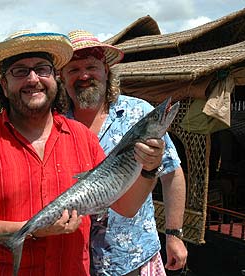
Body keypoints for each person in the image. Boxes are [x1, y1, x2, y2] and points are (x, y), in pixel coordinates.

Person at [0, 30, 166, 276]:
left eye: (42, 69)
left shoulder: (83, 138)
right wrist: (30, 229)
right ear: (4, 85)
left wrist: (149, 168)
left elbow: (125, 206)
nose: (33, 79)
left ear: (55, 79)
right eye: (20, 71)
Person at [58, 30, 188, 276]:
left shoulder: (138, 113)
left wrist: (174, 234)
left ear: (106, 70)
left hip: (133, 258)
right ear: (62, 77)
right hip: (75, 261)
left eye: (91, 67)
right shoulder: (55, 125)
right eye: (73, 70)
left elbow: (172, 173)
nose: (84, 75)